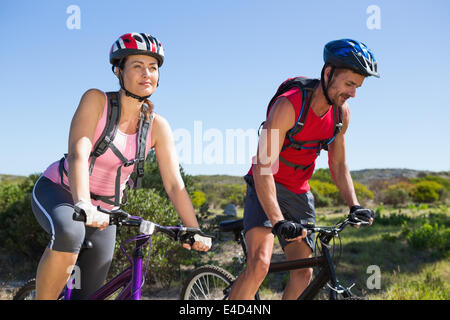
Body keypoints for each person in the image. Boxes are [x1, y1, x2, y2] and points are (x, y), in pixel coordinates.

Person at [31, 32, 210, 300]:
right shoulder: (96, 100)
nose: (147, 73)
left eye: (153, 67)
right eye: (137, 66)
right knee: (70, 233)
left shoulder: (158, 126)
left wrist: (193, 229)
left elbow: (174, 184)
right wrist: (83, 203)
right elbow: (79, 152)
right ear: (118, 71)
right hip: (61, 192)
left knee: (88, 295)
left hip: (107, 213)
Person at [228, 39, 378, 300]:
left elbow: (339, 164)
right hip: (266, 185)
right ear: (328, 73)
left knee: (304, 272)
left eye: (358, 86)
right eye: (349, 84)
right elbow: (263, 166)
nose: (353, 93)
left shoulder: (341, 115)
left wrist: (354, 205)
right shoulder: (288, 105)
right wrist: (278, 221)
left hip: (299, 192)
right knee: (260, 264)